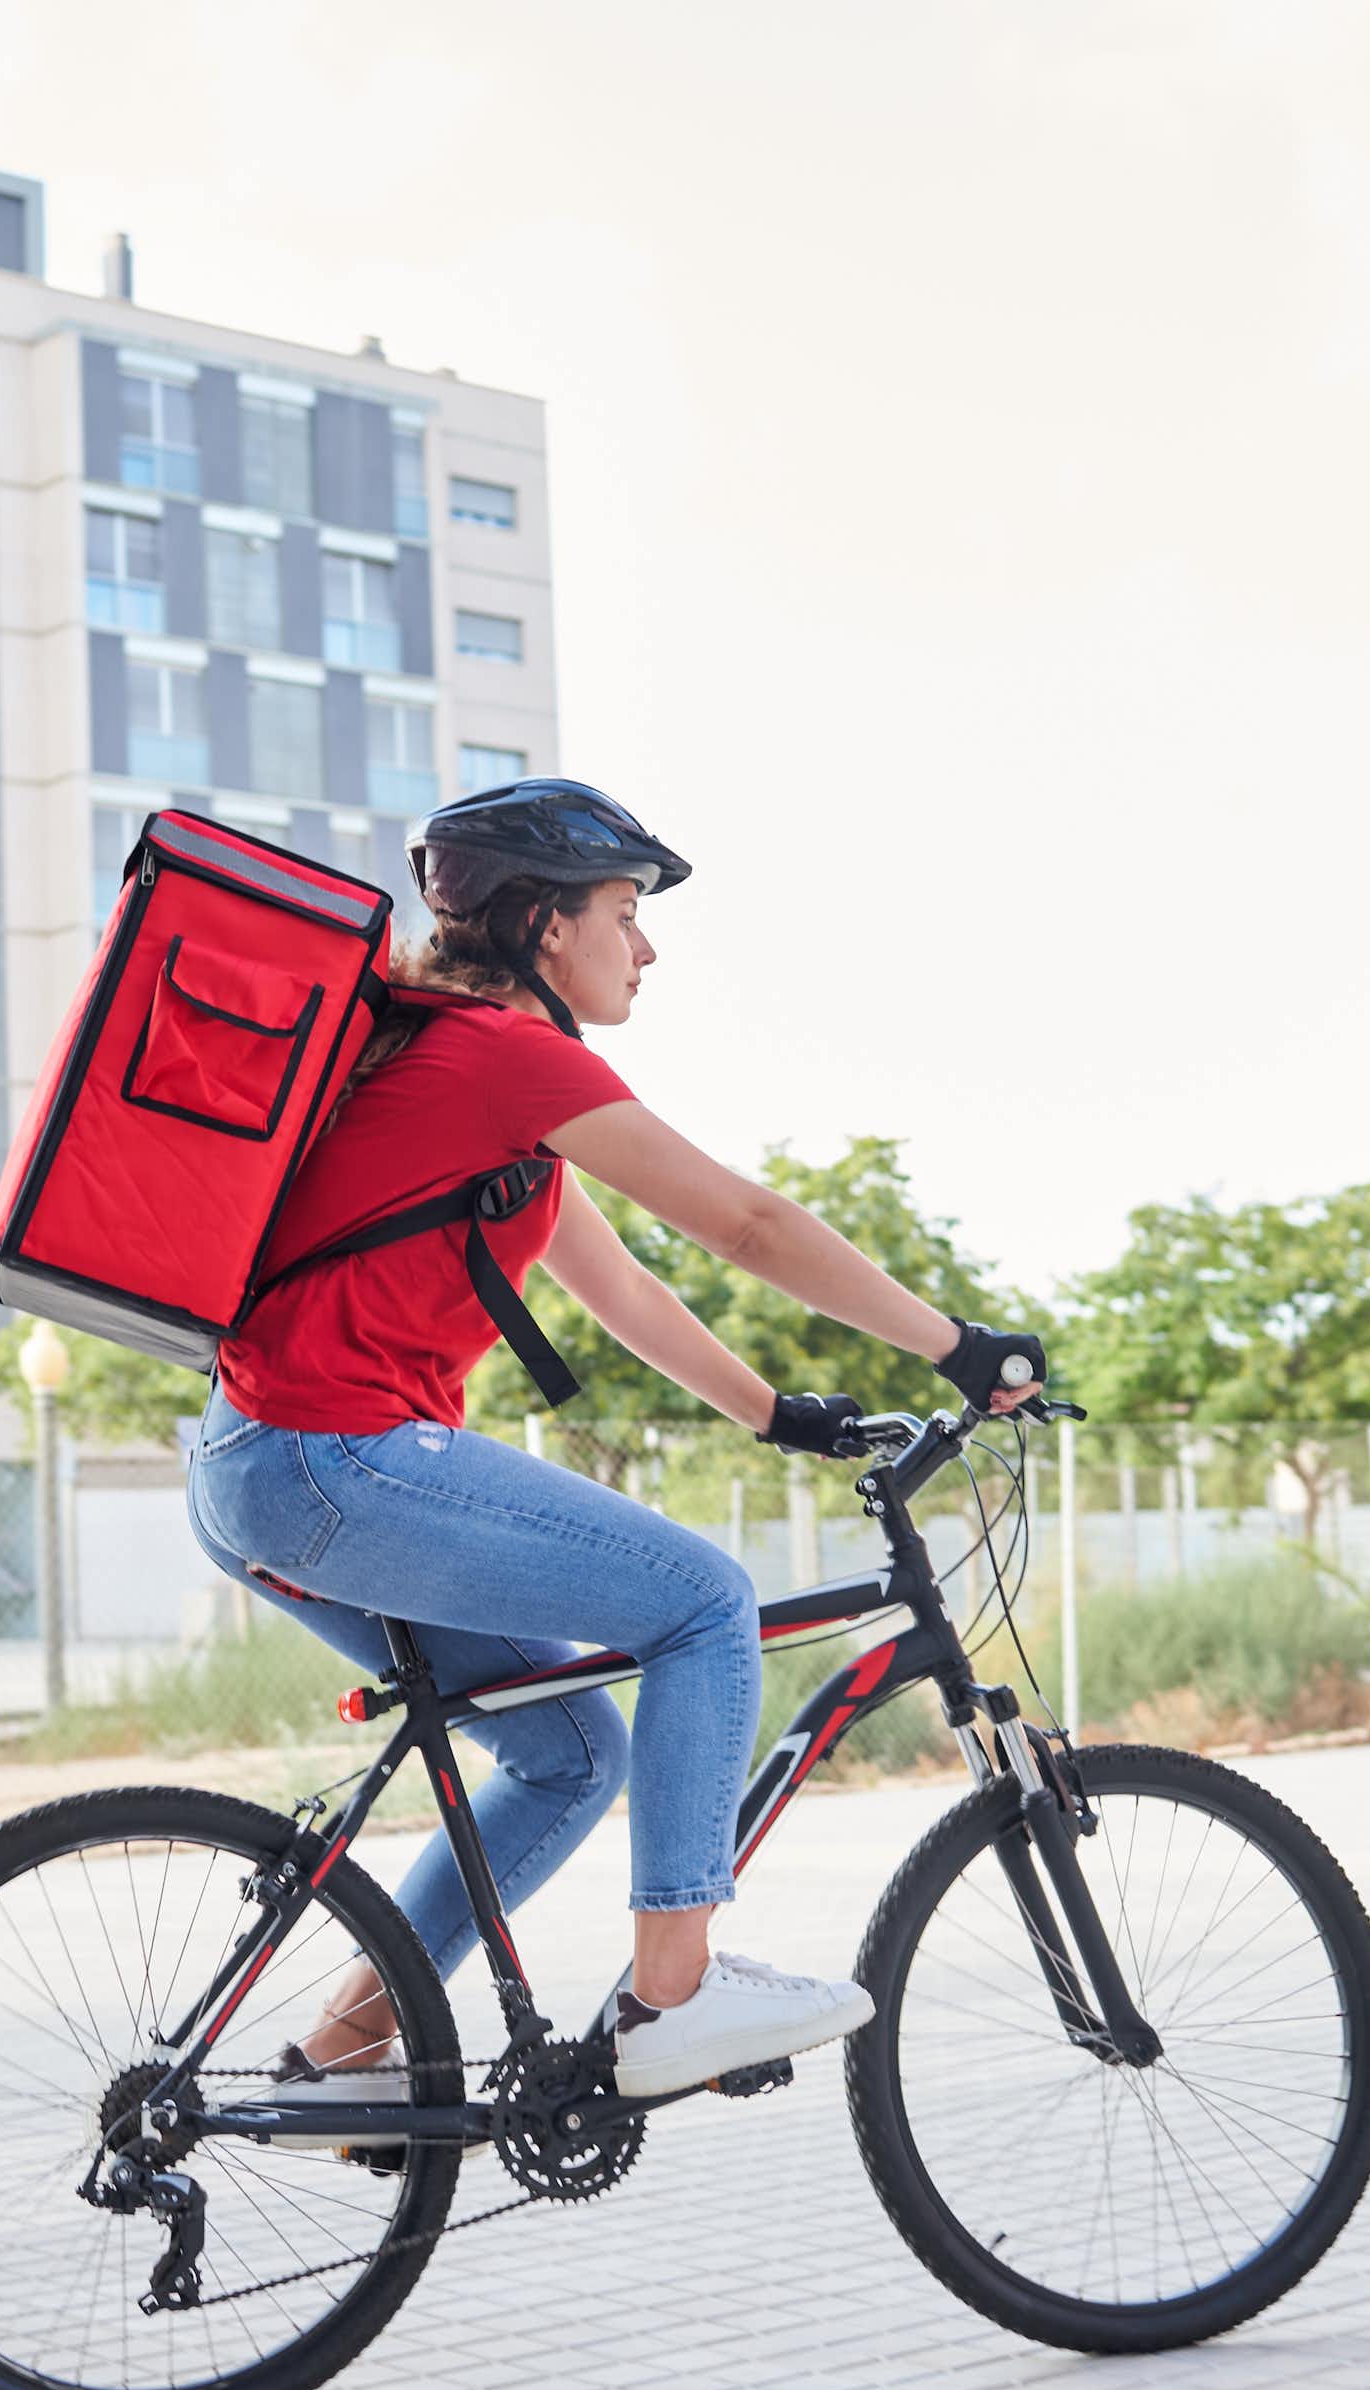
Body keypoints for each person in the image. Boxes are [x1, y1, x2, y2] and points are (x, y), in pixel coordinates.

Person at [185, 777, 1045, 2106]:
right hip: (333, 1460)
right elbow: (746, 1226)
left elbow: (624, 1286)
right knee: (705, 1605)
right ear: (545, 928)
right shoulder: (510, 1061)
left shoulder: (463, 1060)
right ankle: (673, 1997)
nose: (645, 947)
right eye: (626, 912)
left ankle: (343, 2051)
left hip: (264, 1468)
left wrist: (776, 1412)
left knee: (576, 1751)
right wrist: (956, 1345)